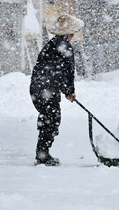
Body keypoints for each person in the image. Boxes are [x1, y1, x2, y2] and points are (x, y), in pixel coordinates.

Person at [30, 14, 84, 166]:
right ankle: (42, 155)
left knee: (48, 118)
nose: (74, 35)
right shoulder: (64, 46)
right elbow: (67, 71)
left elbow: (54, 69)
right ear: (69, 33)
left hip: (38, 87)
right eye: (73, 32)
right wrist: (69, 91)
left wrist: (64, 89)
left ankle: (42, 153)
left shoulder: (53, 43)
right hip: (46, 88)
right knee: (51, 120)